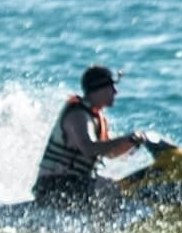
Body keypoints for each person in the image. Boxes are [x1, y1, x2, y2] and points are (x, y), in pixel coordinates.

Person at [32, 65, 146, 210]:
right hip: (54, 185)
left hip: (75, 184)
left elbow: (110, 153)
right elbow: (88, 148)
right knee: (109, 187)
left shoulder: (97, 118)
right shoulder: (78, 114)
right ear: (98, 89)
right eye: (111, 87)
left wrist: (132, 142)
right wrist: (125, 139)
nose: (115, 92)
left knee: (121, 185)